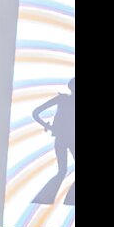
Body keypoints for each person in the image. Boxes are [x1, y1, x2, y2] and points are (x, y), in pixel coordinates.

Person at [31, 77, 75, 206]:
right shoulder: (62, 99)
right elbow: (36, 112)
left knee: (61, 171)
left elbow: (36, 113)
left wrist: (48, 126)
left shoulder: (62, 99)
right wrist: (48, 126)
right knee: (61, 171)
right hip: (65, 139)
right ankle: (63, 200)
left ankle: (66, 200)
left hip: (63, 138)